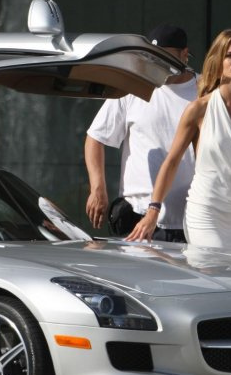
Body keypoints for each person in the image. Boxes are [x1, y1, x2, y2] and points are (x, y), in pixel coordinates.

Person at [126, 29, 231, 251]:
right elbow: (172, 161)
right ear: (218, 61)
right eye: (230, 55)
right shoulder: (199, 109)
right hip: (206, 213)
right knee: (212, 267)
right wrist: (153, 211)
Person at [84, 24, 198, 242]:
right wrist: (98, 188)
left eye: (165, 57)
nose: (158, 64)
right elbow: (95, 137)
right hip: (137, 218)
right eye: (152, 57)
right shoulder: (133, 87)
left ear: (185, 55)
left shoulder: (204, 90)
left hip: (191, 221)